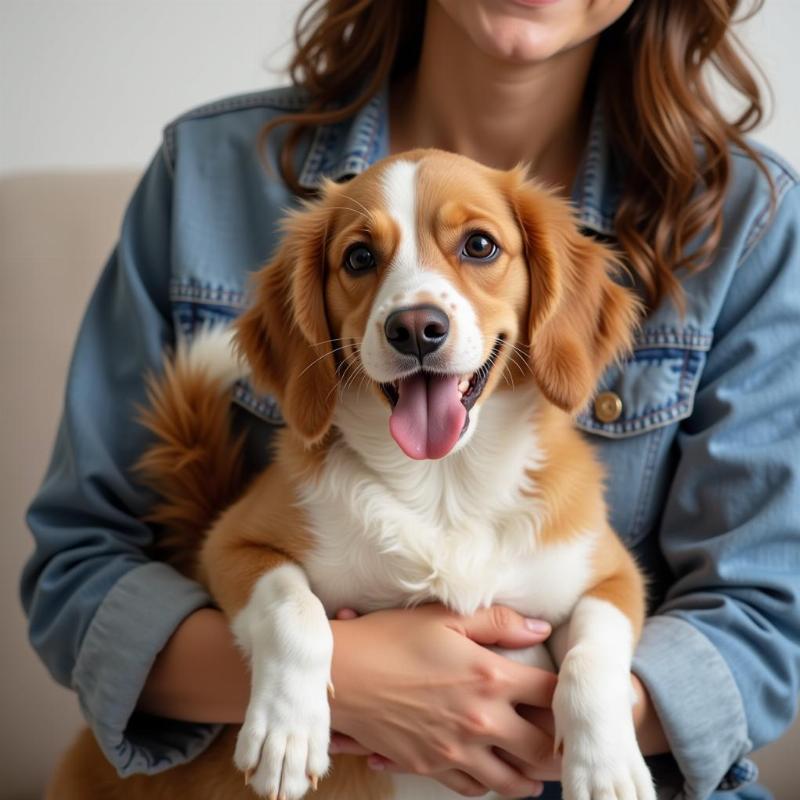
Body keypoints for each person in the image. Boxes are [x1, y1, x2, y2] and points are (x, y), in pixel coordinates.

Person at [21, 1, 800, 798]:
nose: (419, 310)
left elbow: (764, 623)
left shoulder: (754, 217)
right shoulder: (204, 171)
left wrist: (583, 711)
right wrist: (342, 679)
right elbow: (78, 575)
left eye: (479, 248)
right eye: (363, 259)